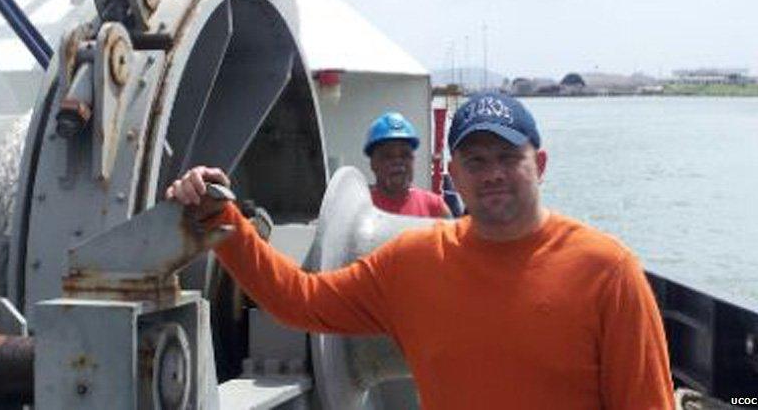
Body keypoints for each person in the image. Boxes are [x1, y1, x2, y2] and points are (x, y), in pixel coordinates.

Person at [167, 91, 674, 409]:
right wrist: (221, 220)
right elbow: (299, 301)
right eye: (475, 160)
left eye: (507, 156)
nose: (492, 173)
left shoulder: (607, 271)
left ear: (538, 164)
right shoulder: (414, 263)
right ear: (454, 176)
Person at [363, 111, 451, 218]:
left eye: (405, 155)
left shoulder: (435, 208)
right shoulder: (360, 208)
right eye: (388, 156)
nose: (397, 162)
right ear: (373, 163)